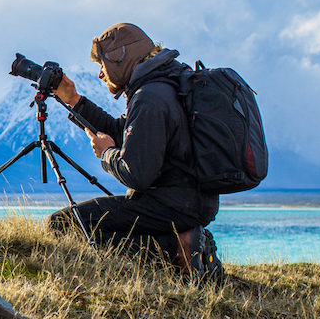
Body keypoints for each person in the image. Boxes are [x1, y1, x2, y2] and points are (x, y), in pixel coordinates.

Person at [48, 22, 224, 281]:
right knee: (96, 224)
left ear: (120, 58)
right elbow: (123, 131)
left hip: (172, 205)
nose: (100, 74)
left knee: (63, 224)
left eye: (102, 65)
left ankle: (180, 250)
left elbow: (137, 175)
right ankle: (185, 241)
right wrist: (73, 100)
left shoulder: (150, 96)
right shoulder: (165, 83)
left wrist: (107, 154)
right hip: (191, 201)